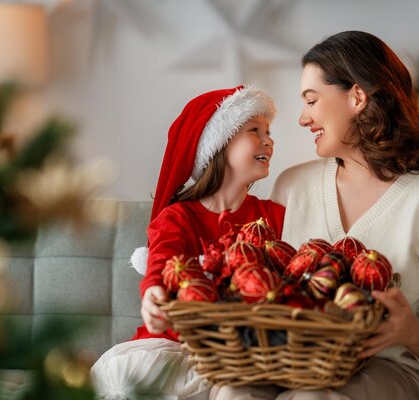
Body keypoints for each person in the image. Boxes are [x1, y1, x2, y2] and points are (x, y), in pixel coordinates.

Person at [210, 31, 419, 400]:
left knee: (313, 397)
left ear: (356, 97)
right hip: (291, 360)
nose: (303, 119)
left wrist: (409, 330)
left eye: (312, 100)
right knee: (232, 392)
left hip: (392, 369)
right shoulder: (292, 186)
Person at [91, 85, 285, 400]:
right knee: (136, 378)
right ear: (220, 144)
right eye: (255, 130)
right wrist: (154, 292)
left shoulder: (272, 216)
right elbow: (162, 261)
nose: (269, 140)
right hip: (171, 346)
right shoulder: (179, 217)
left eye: (268, 131)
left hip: (240, 353)